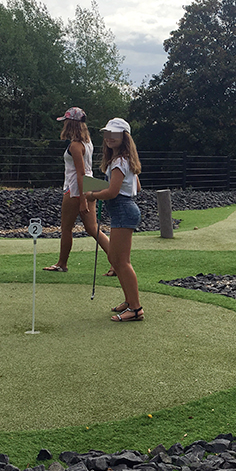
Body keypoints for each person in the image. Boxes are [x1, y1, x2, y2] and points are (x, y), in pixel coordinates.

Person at [85, 117, 144, 321]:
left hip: (122, 209)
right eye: (107, 133)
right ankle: (129, 301)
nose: (109, 137)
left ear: (124, 137)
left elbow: (112, 192)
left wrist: (91, 194)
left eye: (114, 134)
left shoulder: (119, 161)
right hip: (124, 209)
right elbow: (135, 187)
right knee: (115, 259)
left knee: (121, 261)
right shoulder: (124, 159)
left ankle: (135, 308)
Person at [43, 107, 110, 273]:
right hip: (90, 184)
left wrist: (82, 200)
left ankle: (61, 264)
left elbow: (80, 173)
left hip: (76, 188)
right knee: (93, 228)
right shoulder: (87, 142)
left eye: (65, 121)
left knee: (66, 228)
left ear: (70, 123)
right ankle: (117, 261)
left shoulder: (74, 145)